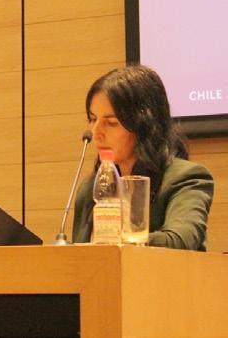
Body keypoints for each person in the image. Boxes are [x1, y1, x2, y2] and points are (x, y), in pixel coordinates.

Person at [72, 65, 214, 250]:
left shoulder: (186, 178)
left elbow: (179, 241)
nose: (96, 133)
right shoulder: (90, 187)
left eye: (111, 123)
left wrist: (116, 239)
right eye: (92, 119)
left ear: (144, 126)